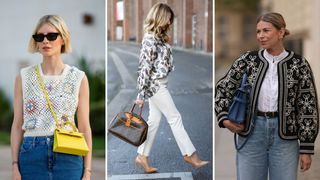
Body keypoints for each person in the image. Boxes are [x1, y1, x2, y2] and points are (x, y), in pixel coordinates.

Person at [215, 12, 319, 180]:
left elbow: (308, 107)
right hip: (251, 134)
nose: (261, 36)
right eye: (258, 31)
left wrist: (306, 148)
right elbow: (223, 89)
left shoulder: (299, 64)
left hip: (285, 138)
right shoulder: (247, 61)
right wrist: (224, 119)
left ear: (281, 32)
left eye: (266, 30)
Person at [10, 15, 92, 180]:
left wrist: (88, 171)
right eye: (40, 37)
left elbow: (84, 126)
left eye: (51, 36)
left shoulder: (78, 77)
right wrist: (14, 166)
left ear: (63, 39)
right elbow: (18, 124)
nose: (45, 41)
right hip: (31, 154)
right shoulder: (24, 76)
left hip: (69, 155)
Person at [135, 3, 208, 173]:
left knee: (153, 121)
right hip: (155, 86)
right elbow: (145, 68)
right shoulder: (150, 39)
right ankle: (190, 154)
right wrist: (141, 95)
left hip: (160, 84)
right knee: (175, 117)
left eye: (171, 19)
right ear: (160, 17)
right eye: (168, 18)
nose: (170, 22)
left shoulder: (159, 38)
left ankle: (142, 156)